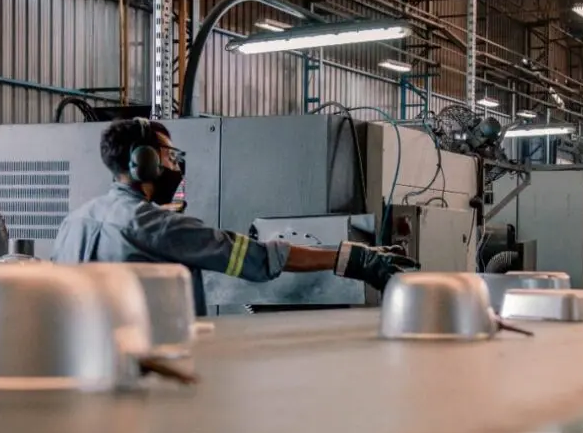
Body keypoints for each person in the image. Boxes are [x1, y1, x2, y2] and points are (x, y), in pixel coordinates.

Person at [51, 118, 417, 314]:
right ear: (142, 161)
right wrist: (354, 258)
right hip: (150, 368)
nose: (173, 165)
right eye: (166, 156)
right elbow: (252, 257)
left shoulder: (73, 223)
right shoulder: (154, 226)